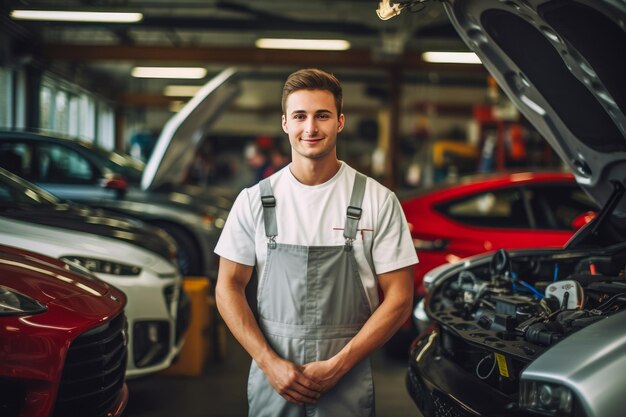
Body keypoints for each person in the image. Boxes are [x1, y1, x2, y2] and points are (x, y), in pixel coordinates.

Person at [214, 68, 418, 417]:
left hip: (348, 377)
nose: (310, 128)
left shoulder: (377, 200)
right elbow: (227, 288)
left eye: (322, 116)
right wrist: (269, 362)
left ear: (339, 122)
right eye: (300, 116)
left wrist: (339, 366)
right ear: (285, 123)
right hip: (274, 377)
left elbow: (399, 299)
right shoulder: (254, 201)